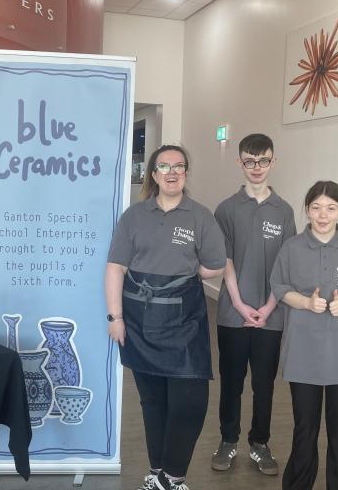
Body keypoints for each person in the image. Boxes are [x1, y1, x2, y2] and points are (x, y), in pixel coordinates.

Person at [105, 144, 226, 490]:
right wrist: (115, 317)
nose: (172, 172)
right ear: (153, 174)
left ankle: (172, 475)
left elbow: (215, 264)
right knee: (153, 400)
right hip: (140, 320)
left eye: (179, 166)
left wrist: (186, 273)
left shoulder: (200, 216)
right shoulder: (134, 216)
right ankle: (160, 474)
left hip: (185, 319)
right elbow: (115, 267)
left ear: (186, 173)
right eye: (164, 166)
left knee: (189, 401)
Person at [270, 180, 338, 490]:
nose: (323, 214)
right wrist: (305, 302)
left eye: (330, 208)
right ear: (307, 210)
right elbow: (279, 286)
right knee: (305, 428)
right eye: (316, 207)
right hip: (303, 349)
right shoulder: (291, 247)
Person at [211, 133, 296, 475]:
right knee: (231, 382)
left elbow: (286, 266)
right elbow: (224, 260)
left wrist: (270, 308)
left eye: (263, 161)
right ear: (240, 163)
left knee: (264, 384)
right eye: (250, 160)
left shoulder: (285, 211)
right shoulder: (226, 209)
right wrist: (239, 303)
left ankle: (259, 443)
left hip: (271, 317)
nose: (256, 167)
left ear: (273, 162)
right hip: (233, 314)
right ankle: (228, 441)